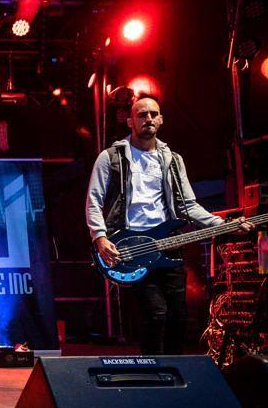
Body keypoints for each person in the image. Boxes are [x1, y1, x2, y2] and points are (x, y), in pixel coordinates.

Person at [86, 96, 252, 354]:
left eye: (153, 114)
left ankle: (175, 370)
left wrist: (224, 225)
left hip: (168, 245)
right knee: (156, 314)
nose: (148, 119)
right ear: (130, 121)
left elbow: (188, 205)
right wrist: (100, 237)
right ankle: (154, 371)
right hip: (132, 247)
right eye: (142, 115)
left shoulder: (173, 159)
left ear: (161, 120)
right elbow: (93, 201)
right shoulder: (110, 157)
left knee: (178, 317)